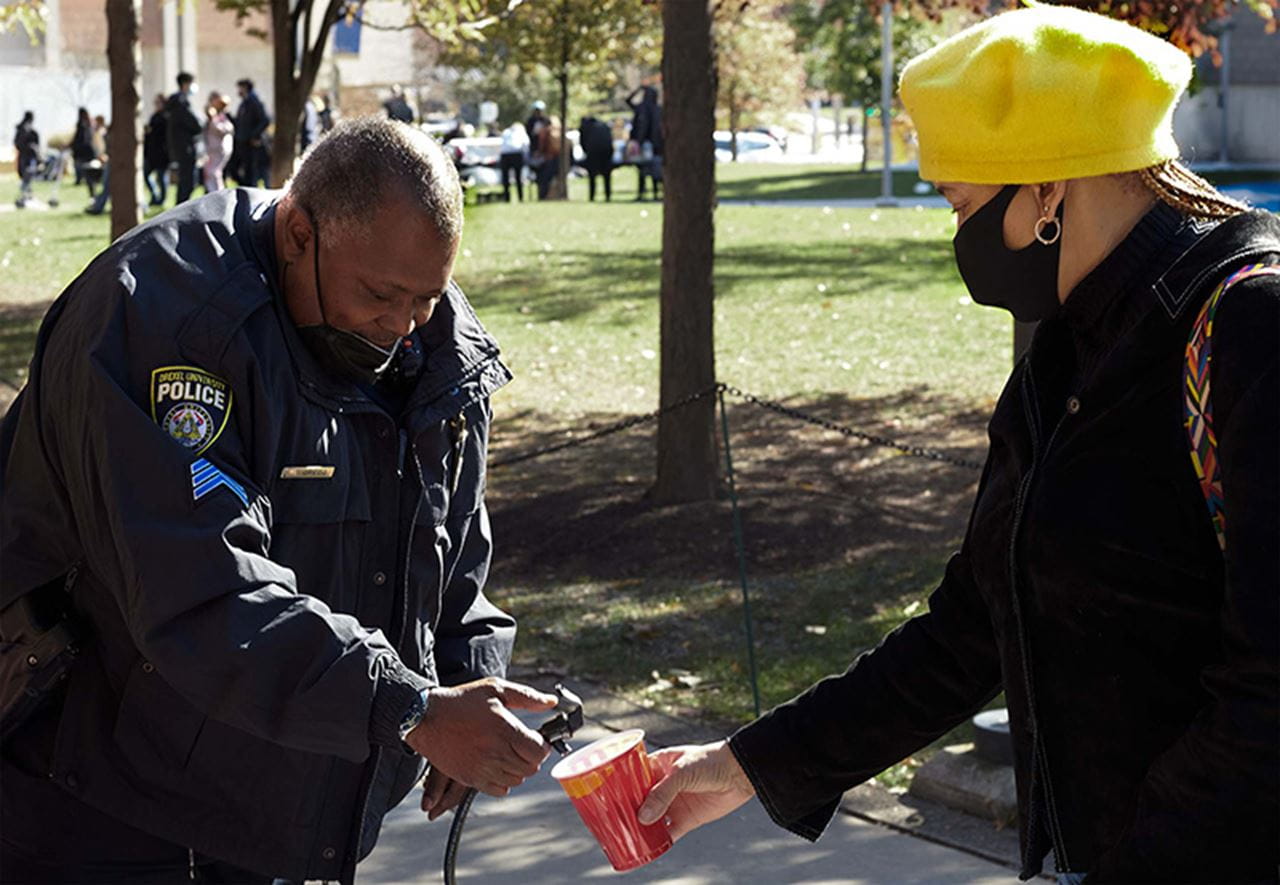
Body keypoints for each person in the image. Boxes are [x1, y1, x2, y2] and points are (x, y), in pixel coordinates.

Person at [636, 7, 1278, 883]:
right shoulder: (1062, 352)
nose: (958, 238)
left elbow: (1268, 695)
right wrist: (751, 764)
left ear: (1048, 187)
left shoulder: (1250, 326)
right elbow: (975, 623)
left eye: (963, 204)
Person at [0, 117, 557, 883]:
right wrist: (412, 709)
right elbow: (198, 588)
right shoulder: (167, 318)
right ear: (298, 232)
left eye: (425, 299)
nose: (400, 329)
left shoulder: (436, 344)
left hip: (282, 809)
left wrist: (465, 677)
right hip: (104, 801)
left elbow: (450, 552)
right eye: (381, 296)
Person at [165, 71, 204, 203]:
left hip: (180, 146)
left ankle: (181, 204)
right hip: (186, 146)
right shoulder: (181, 102)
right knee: (188, 180)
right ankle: (181, 206)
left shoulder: (175, 102)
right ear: (186, 84)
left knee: (186, 179)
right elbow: (195, 123)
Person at [625, 85, 663, 201]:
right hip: (654, 144)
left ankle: (644, 192)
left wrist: (638, 90)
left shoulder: (643, 108)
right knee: (650, 168)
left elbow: (628, 101)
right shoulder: (657, 109)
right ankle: (653, 192)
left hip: (645, 143)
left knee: (644, 168)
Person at [234, 78, 272, 188]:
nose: (238, 91)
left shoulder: (253, 102)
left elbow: (265, 120)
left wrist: (253, 135)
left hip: (252, 144)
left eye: (240, 88)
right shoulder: (245, 103)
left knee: (254, 172)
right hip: (244, 143)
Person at [202, 91, 235, 192]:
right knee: (211, 172)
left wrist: (214, 120)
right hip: (213, 148)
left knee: (214, 172)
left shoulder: (223, 117)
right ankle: (212, 192)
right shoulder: (215, 116)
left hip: (220, 148)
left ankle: (217, 193)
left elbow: (225, 129)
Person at [578, 115, 614, 203]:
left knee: (592, 176)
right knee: (607, 176)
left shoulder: (585, 126)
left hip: (593, 152)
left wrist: (586, 151)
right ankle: (608, 195)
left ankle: (592, 196)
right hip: (606, 152)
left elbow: (582, 141)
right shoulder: (604, 125)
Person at [143, 93, 170, 206]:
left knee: (161, 177)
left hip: (162, 153)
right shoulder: (154, 116)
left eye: (158, 102)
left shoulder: (167, 117)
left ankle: (161, 199)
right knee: (146, 174)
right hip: (151, 153)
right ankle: (155, 195)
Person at [70, 107, 101, 197]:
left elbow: (81, 140)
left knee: (88, 175)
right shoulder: (88, 125)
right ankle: (93, 194)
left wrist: (73, 146)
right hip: (88, 153)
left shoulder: (83, 126)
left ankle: (93, 194)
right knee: (89, 176)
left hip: (85, 154)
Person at [12, 111, 39, 209]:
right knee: (26, 176)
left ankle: (27, 195)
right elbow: (18, 143)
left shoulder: (30, 131)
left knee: (28, 177)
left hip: (29, 157)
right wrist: (29, 147)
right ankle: (22, 196)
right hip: (26, 157)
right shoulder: (22, 130)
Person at [497, 120, 529, 203]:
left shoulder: (506, 132)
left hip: (505, 155)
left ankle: (507, 198)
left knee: (506, 178)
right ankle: (520, 197)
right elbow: (526, 143)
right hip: (516, 154)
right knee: (518, 177)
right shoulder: (521, 131)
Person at [533, 114, 561, 201]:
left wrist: (538, 153)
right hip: (559, 159)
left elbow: (542, 146)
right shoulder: (560, 131)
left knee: (543, 179)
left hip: (549, 158)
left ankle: (543, 196)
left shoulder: (545, 131)